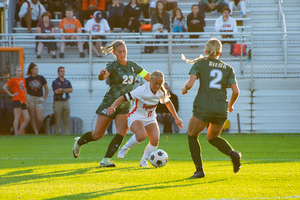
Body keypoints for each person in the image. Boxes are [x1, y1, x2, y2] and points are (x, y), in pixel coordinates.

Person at [72, 40, 151, 167]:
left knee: (121, 132)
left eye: (124, 51)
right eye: (119, 52)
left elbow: (148, 77)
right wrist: (101, 74)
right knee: (97, 134)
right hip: (109, 104)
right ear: (114, 53)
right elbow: (103, 76)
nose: (122, 54)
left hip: (124, 105)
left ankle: (106, 160)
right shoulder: (112, 66)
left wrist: (157, 81)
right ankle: (79, 142)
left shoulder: (133, 66)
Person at [181, 38, 242, 178]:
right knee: (213, 137)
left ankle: (199, 170)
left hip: (204, 107)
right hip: (221, 108)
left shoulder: (200, 64)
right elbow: (236, 91)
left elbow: (189, 84)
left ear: (206, 51)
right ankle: (233, 154)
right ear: (220, 52)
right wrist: (230, 105)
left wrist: (184, 89)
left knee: (192, 135)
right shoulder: (228, 68)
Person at [106, 70, 183, 167]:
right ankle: (125, 148)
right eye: (155, 83)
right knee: (141, 136)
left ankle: (144, 161)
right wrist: (113, 107)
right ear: (150, 81)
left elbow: (168, 103)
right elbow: (122, 98)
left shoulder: (161, 91)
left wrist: (176, 118)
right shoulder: (141, 90)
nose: (157, 86)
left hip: (150, 118)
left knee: (155, 139)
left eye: (160, 83)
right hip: (135, 117)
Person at [2, 66, 30, 135]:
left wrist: (26, 101)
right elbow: (4, 87)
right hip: (17, 100)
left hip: (23, 101)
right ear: (15, 72)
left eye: (20, 71)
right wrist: (11, 94)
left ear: (22, 72)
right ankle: (16, 133)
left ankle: (19, 133)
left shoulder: (23, 80)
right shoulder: (13, 79)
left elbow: (24, 91)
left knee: (27, 119)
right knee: (17, 117)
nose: (19, 72)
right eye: (17, 71)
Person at [25, 63, 49, 135]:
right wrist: (26, 100)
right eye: (35, 69)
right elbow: (25, 91)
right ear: (31, 70)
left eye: (37, 69)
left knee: (39, 119)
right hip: (30, 98)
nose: (37, 70)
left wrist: (44, 98)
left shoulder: (41, 78)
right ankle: (36, 134)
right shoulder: (27, 79)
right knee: (32, 117)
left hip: (39, 98)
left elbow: (47, 89)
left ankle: (37, 131)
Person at [52, 66, 73, 134]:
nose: (62, 73)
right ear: (58, 72)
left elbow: (71, 90)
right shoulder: (55, 82)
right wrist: (65, 90)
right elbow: (56, 91)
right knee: (58, 118)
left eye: (63, 71)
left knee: (66, 118)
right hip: (58, 102)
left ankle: (67, 132)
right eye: (61, 71)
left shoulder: (67, 82)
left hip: (66, 101)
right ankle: (58, 132)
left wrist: (63, 90)